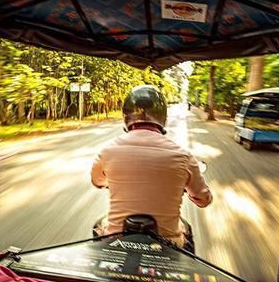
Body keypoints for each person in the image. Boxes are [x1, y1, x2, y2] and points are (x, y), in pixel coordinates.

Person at [91, 85, 212, 251]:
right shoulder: (183, 156)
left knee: (99, 225)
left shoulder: (108, 151)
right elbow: (204, 199)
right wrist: (192, 194)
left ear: (126, 115)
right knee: (186, 230)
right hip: (168, 245)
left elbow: (97, 182)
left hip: (116, 240)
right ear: (162, 116)